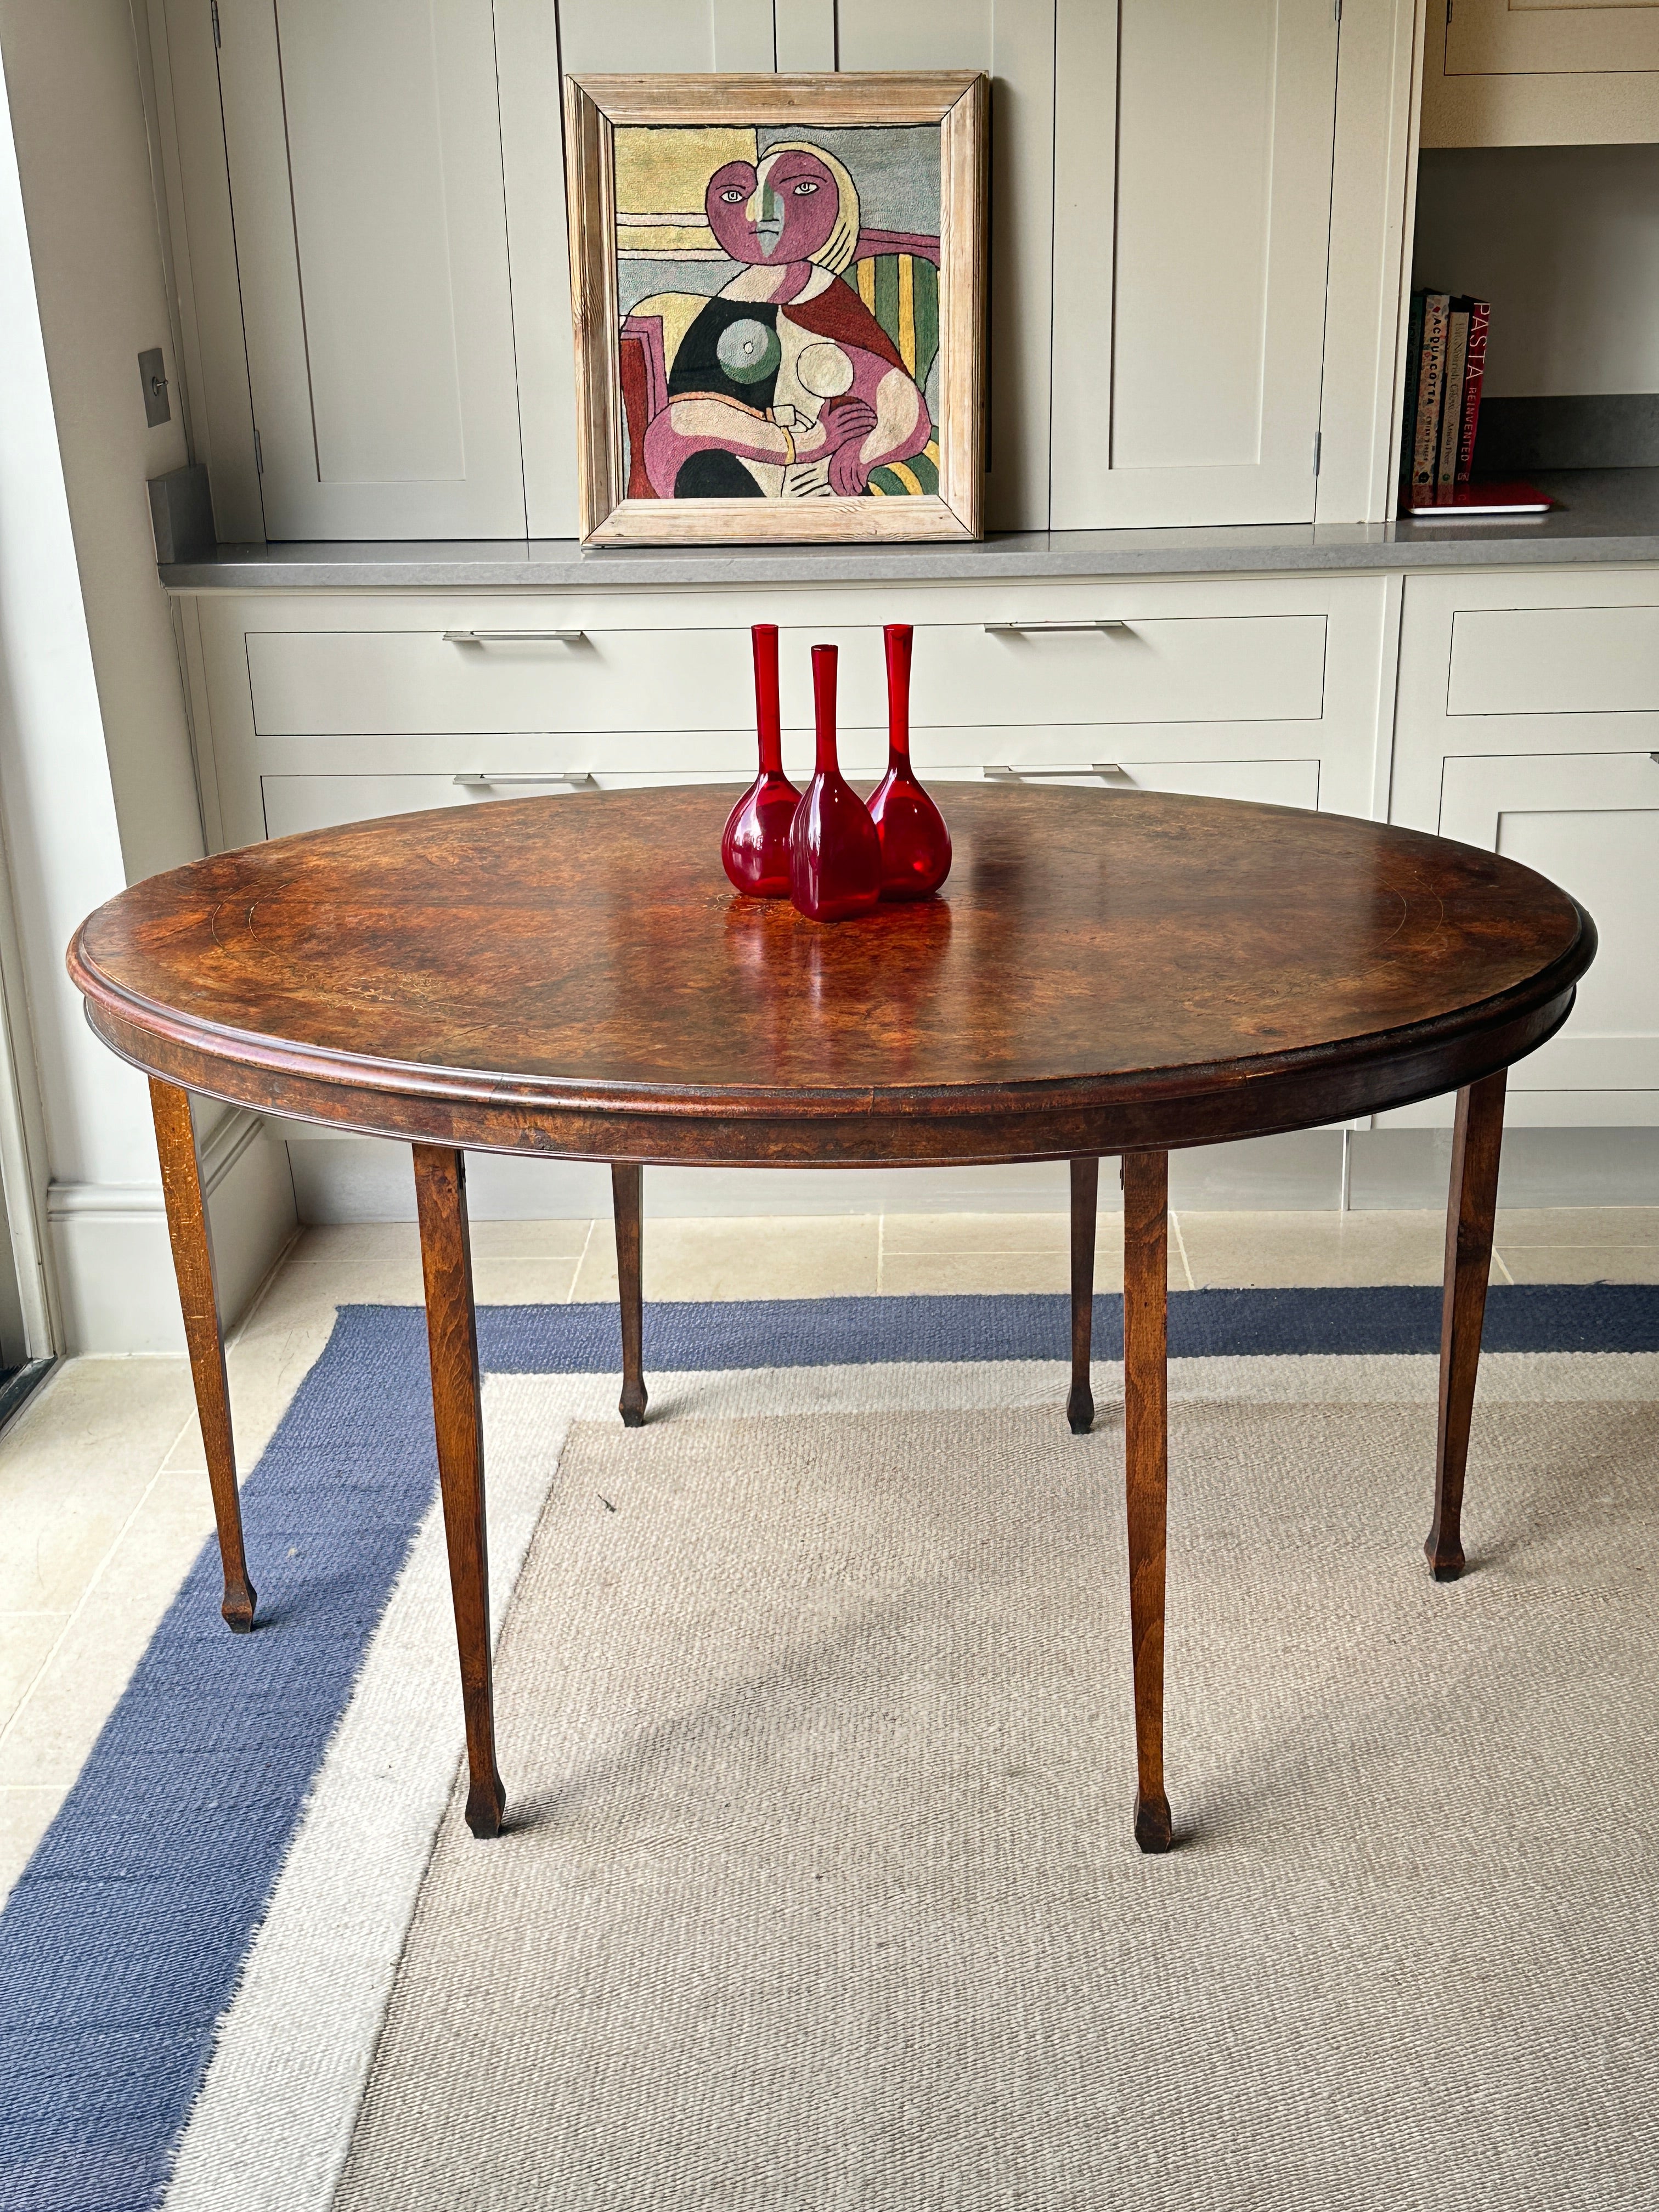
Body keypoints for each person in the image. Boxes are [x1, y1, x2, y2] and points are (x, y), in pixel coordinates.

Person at [635, 141, 932, 500]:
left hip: (819, 487)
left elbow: (904, 409)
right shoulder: (726, 306)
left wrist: (863, 454)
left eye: (802, 189)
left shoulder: (827, 300)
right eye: (735, 195)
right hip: (736, 475)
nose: (763, 214)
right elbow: (679, 425)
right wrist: (804, 443)